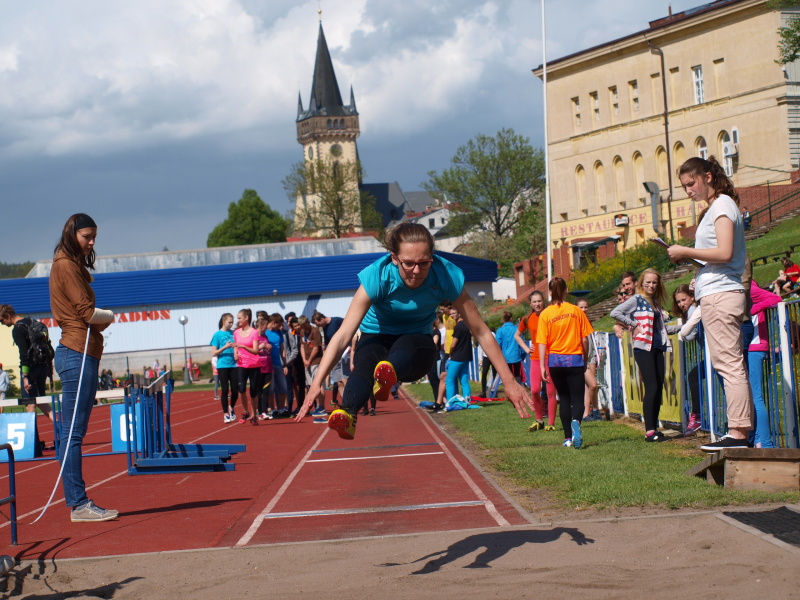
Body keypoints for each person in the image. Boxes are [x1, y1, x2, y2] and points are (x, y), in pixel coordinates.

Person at [294, 222, 533, 439]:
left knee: (407, 344)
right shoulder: (378, 276)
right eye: (408, 263)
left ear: (432, 258)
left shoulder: (445, 276)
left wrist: (509, 381)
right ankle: (348, 413)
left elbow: (480, 331)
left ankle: (388, 373)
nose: (416, 271)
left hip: (416, 349)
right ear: (394, 258)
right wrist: (317, 383)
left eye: (424, 263)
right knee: (365, 364)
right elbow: (343, 336)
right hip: (375, 337)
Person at [667, 156, 752, 451]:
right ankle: (737, 431)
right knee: (726, 363)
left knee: (729, 364)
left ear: (708, 177)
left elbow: (725, 252)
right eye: (684, 186)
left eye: (691, 183)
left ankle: (738, 433)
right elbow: (717, 255)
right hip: (716, 291)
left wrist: (685, 250)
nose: (688, 190)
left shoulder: (722, 205)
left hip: (722, 294)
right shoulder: (716, 207)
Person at [49, 212, 117, 521]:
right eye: (86, 237)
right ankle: (78, 504)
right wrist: (110, 315)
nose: (91, 243)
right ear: (72, 234)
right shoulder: (65, 265)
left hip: (81, 351)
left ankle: (78, 502)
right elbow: (88, 313)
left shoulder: (71, 264)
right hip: (76, 352)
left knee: (73, 432)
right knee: (72, 433)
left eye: (94, 238)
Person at [610, 269, 681, 442]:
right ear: (641, 283)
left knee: (658, 387)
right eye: (648, 282)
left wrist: (685, 325)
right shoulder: (637, 299)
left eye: (654, 282)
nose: (651, 285)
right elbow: (615, 313)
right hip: (643, 348)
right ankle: (649, 431)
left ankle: (654, 428)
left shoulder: (655, 302)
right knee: (652, 387)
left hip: (657, 347)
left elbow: (661, 328)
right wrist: (634, 325)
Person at [536, 277, 593, 449]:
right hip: (574, 359)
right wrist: (585, 358)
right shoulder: (576, 311)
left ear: (549, 292)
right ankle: (577, 422)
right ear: (566, 290)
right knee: (578, 398)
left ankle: (568, 438)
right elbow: (585, 340)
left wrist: (542, 365)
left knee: (564, 398)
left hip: (555, 361)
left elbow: (542, 342)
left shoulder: (545, 314)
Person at [0, 305, 54, 428]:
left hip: (30, 369)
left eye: (1, 320)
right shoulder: (31, 321)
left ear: (7, 315)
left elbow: (24, 354)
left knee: (29, 403)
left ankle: (32, 437)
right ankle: (61, 426)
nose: (2, 323)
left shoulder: (17, 329)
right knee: (40, 400)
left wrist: (25, 376)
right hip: (43, 366)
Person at [514, 290, 557, 431]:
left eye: (539, 301)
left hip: (551, 358)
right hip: (535, 359)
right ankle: (539, 420)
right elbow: (517, 335)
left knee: (550, 392)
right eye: (534, 302)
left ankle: (551, 423)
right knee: (534, 390)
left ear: (543, 302)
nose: (537, 304)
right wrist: (527, 349)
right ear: (530, 304)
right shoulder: (527, 318)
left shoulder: (550, 315)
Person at [747, 284, 782, 448]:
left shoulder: (750, 288)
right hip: (752, 346)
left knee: (756, 397)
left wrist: (753, 309)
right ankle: (759, 440)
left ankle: (765, 443)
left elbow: (776, 298)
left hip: (755, 347)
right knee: (753, 396)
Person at [673, 284, 703, 433]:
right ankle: (697, 414)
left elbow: (690, 335)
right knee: (694, 375)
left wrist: (682, 334)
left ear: (692, 297)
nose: (681, 304)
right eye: (678, 302)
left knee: (693, 376)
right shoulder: (692, 310)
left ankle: (697, 416)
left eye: (683, 300)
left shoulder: (693, 310)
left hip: (715, 353)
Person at [576, 298, 602, 421]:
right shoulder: (576, 322)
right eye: (581, 307)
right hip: (582, 357)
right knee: (592, 385)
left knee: (590, 386)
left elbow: (591, 340)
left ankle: (588, 412)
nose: (584, 309)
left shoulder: (588, 322)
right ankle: (593, 410)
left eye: (586, 307)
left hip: (591, 356)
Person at [210, 313, 239, 423]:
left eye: (232, 322)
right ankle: (226, 414)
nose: (231, 324)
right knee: (225, 389)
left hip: (234, 365)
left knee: (235, 390)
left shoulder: (234, 333)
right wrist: (225, 347)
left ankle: (231, 407)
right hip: (223, 365)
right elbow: (214, 353)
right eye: (229, 322)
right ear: (223, 322)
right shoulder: (217, 335)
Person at [233, 308, 260, 425]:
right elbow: (236, 345)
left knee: (253, 392)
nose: (238, 320)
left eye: (239, 318)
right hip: (241, 364)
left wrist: (243, 347)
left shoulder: (254, 332)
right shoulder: (236, 332)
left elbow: (256, 350)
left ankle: (254, 415)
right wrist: (235, 353)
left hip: (254, 364)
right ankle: (245, 411)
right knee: (241, 389)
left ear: (246, 318)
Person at [445, 309, 472, 401]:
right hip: (466, 356)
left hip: (457, 357)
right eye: (450, 314)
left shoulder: (458, 327)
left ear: (459, 313)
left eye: (454, 313)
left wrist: (450, 352)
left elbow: (453, 344)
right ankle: (467, 400)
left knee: (450, 380)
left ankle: (450, 401)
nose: (452, 316)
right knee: (464, 380)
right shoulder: (467, 326)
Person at [495, 311, 522, 383]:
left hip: (505, 356)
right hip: (516, 354)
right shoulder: (517, 329)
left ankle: (510, 388)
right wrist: (523, 354)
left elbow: (498, 344)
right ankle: (518, 387)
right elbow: (521, 342)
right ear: (511, 318)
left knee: (508, 374)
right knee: (517, 373)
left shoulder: (500, 330)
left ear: (503, 319)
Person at [613, 272, 638, 338]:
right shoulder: (626, 309)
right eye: (622, 294)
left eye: (625, 293)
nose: (624, 296)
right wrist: (616, 327)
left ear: (636, 283)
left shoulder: (641, 300)